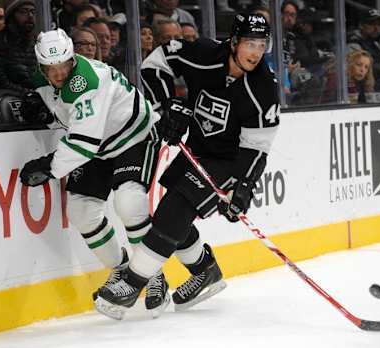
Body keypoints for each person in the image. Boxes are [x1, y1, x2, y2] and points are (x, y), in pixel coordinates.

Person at [94, 13, 280, 320]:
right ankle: (204, 271)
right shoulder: (204, 54)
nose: (255, 52)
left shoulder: (263, 88)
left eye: (262, 44)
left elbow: (257, 148)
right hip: (197, 149)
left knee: (172, 213)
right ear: (234, 42)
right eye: (249, 43)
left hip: (228, 162)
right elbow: (155, 64)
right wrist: (169, 104)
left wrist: (243, 187)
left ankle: (131, 284)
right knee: (174, 213)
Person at [18, 29, 169, 317]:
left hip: (133, 137)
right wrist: (46, 113)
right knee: (81, 211)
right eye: (51, 68)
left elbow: (81, 142)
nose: (59, 73)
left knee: (129, 202)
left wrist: (49, 167)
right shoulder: (42, 81)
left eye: (63, 65)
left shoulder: (86, 80)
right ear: (41, 67)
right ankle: (123, 270)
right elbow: (68, 118)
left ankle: (153, 276)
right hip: (98, 146)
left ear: (72, 58)